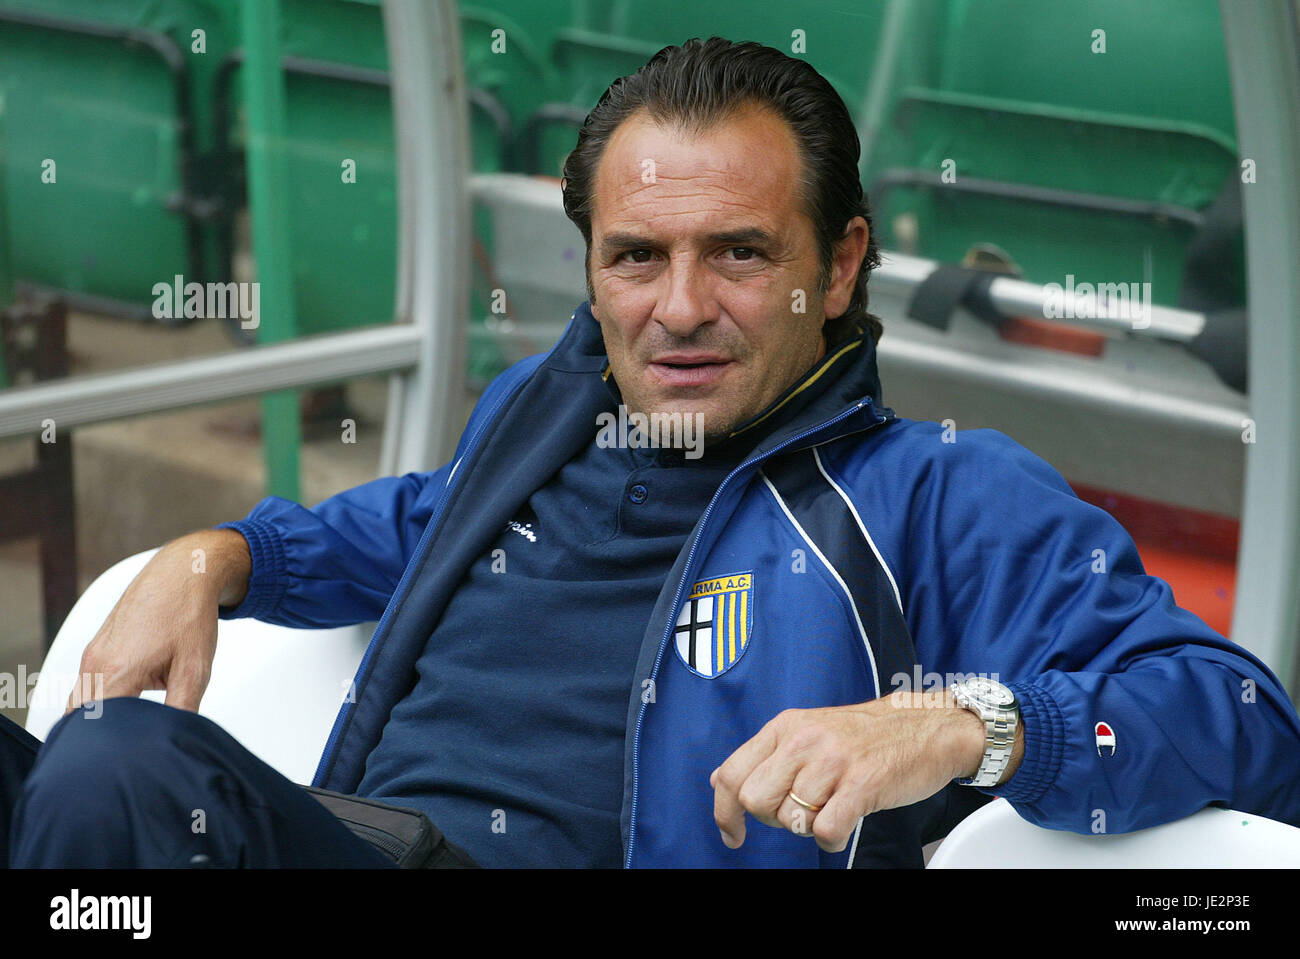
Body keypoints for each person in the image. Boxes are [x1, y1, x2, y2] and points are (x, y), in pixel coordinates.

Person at [4, 38, 1299, 868]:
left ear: (840, 265)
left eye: (739, 253)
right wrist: (212, 551)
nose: (678, 307)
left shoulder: (940, 493)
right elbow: (400, 527)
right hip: (352, 839)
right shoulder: (546, 415)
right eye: (636, 257)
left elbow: (1244, 722)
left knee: (125, 769)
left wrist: (962, 724)